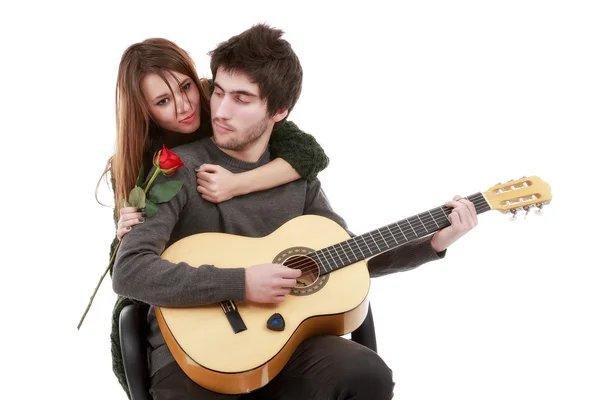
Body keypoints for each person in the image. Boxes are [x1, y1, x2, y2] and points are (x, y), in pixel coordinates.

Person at [112, 24, 478, 400]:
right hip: (194, 357)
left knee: (365, 373)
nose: (220, 110)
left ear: (279, 110)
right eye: (218, 92)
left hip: (283, 347)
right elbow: (129, 270)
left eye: (242, 98)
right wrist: (242, 283)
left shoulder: (297, 179)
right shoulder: (174, 171)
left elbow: (346, 256)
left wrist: (433, 242)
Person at [100, 37, 331, 396]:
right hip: (186, 314)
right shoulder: (143, 163)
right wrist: (121, 234)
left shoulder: (222, 103)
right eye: (162, 101)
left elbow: (309, 155)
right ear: (145, 110)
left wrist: (238, 183)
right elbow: (128, 267)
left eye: (186, 87)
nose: (184, 107)